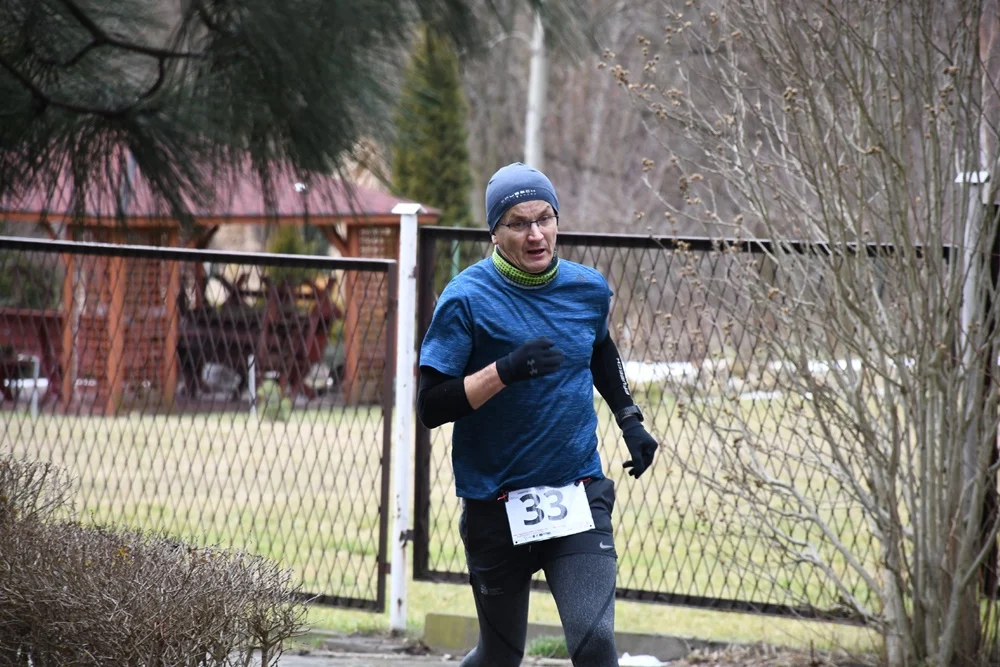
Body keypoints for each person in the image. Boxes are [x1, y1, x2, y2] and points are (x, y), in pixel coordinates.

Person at [417, 162, 659, 667]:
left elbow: (598, 349)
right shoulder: (467, 298)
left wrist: (629, 419)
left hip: (575, 495)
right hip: (494, 503)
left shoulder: (586, 290)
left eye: (544, 219)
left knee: (595, 645)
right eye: (519, 223)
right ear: (495, 233)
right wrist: (503, 370)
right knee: (499, 657)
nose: (535, 234)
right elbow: (432, 406)